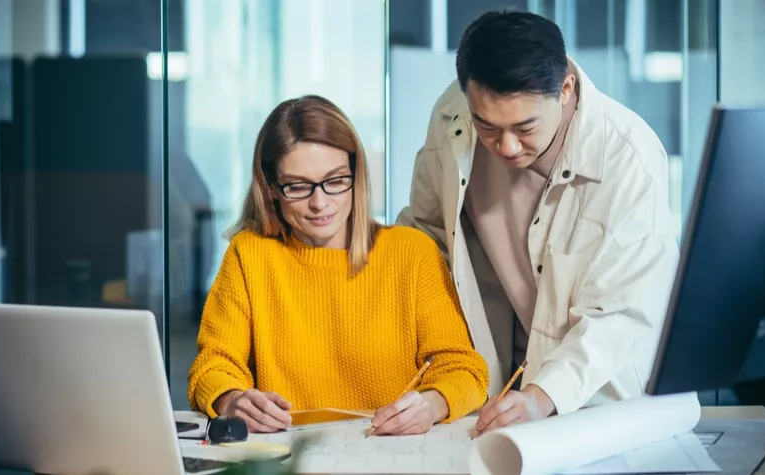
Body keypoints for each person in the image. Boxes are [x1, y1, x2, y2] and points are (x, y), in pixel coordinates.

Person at [396, 10, 680, 435]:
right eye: (487, 126)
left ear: (565, 89)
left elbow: (621, 315)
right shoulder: (453, 116)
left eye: (524, 127)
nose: (506, 146)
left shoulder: (629, 159)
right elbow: (427, 234)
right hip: (492, 389)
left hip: (594, 400)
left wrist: (544, 395)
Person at [187, 95, 488, 435]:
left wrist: (432, 404)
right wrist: (232, 400)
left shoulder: (412, 253)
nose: (320, 203)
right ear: (271, 188)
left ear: (356, 175)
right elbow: (213, 364)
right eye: (298, 186)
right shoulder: (250, 255)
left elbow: (463, 369)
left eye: (335, 180)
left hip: (392, 455)